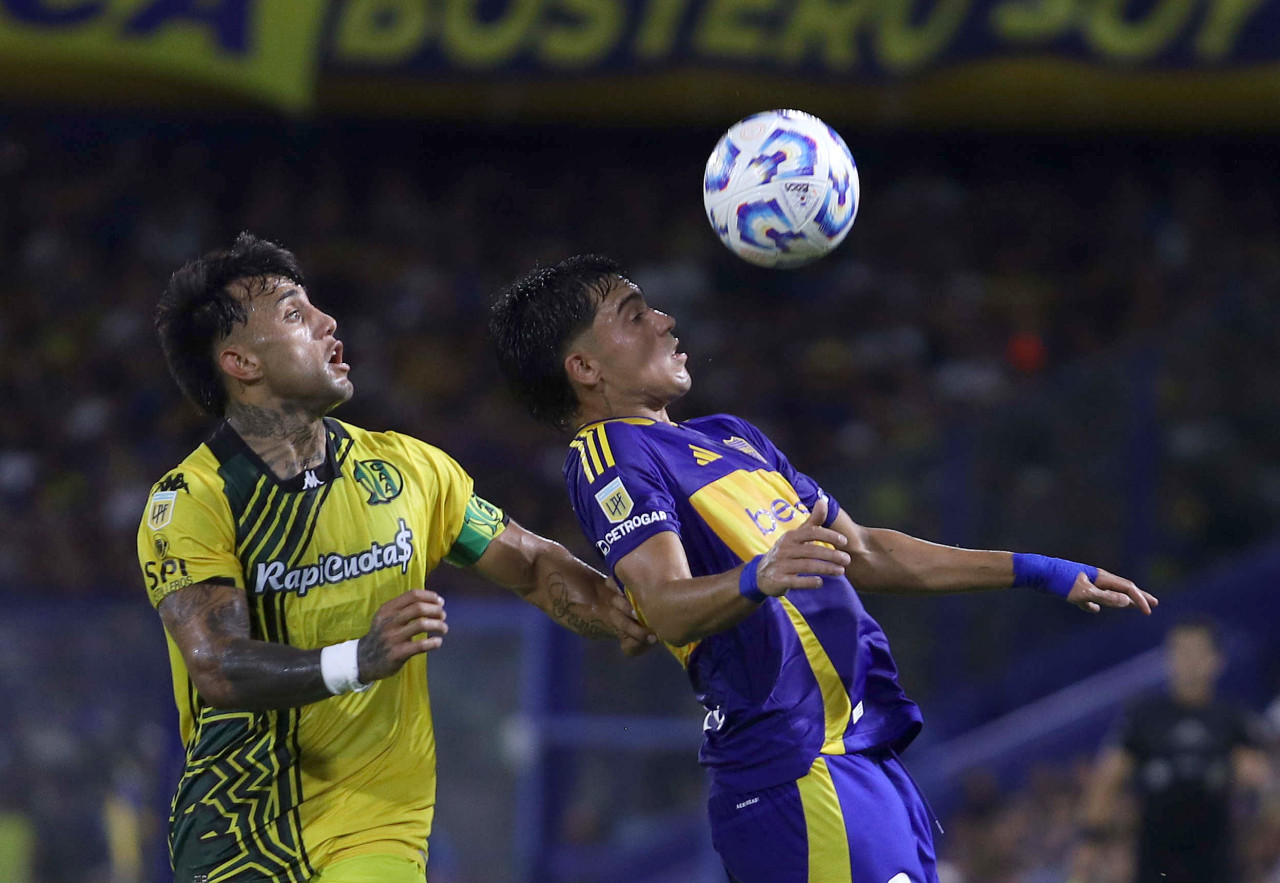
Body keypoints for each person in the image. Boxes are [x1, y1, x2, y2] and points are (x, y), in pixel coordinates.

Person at [488, 254, 1159, 883]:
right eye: (634, 315)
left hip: (858, 758)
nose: (665, 320)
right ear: (584, 367)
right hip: (791, 771)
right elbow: (661, 604)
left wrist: (1040, 569)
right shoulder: (610, 453)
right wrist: (758, 574)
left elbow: (862, 550)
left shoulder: (731, 436)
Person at [136, 234, 654, 883]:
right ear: (240, 361)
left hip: (377, 825)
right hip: (238, 835)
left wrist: (637, 607)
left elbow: (531, 564)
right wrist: (361, 658)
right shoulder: (193, 500)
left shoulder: (407, 468)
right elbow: (214, 662)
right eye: (296, 315)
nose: (327, 322)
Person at [1073, 616, 1273, 883]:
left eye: (1196, 652)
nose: (1188, 661)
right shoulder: (1144, 718)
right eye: (1180, 651)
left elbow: (1261, 783)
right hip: (1156, 862)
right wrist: (1090, 843)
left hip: (1216, 862)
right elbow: (1107, 780)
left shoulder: (1232, 720)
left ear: (1216, 660)